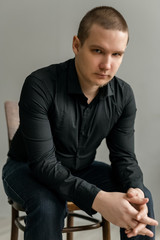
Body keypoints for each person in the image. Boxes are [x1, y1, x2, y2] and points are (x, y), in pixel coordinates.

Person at [2, 6, 158, 240]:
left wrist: (134, 189)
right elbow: (44, 164)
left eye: (117, 54)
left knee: (139, 198)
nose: (107, 65)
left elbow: (124, 157)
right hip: (27, 168)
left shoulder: (123, 95)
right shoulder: (39, 84)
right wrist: (100, 200)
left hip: (82, 169)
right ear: (77, 45)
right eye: (98, 51)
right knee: (48, 206)